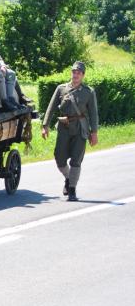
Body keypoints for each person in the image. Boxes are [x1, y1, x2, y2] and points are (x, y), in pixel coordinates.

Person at [41, 61, 99, 201]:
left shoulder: (88, 92)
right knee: (59, 157)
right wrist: (45, 125)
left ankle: (72, 189)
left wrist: (94, 133)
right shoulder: (61, 89)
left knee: (76, 159)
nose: (75, 75)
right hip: (64, 127)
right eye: (74, 72)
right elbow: (51, 107)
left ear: (83, 75)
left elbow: (93, 113)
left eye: (78, 73)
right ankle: (68, 178)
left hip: (80, 128)